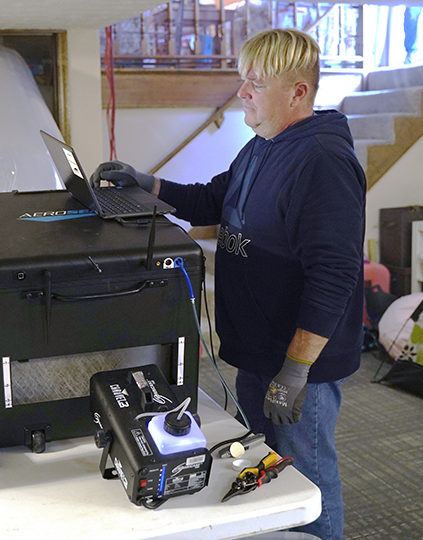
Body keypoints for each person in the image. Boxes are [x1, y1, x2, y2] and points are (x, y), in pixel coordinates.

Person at [91, 29, 366, 540]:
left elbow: (336, 275)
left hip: (297, 365)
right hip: (258, 353)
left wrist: (296, 370)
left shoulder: (323, 161)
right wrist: (144, 183)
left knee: (307, 479)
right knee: (264, 472)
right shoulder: (263, 146)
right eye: (242, 81)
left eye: (254, 84)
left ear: (297, 92)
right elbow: (213, 199)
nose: (241, 93)